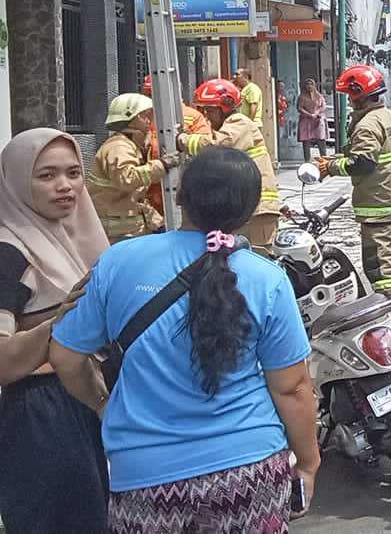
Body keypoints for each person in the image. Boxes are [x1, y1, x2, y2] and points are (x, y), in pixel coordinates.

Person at [50, 147, 319, 533]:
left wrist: (103, 404)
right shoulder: (267, 279)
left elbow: (65, 357)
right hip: (247, 470)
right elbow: (292, 389)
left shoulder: (118, 262)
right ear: (249, 210)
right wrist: (308, 463)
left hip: (144, 475)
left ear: (179, 195)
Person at [0, 129, 111, 534]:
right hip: (42, 417)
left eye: (73, 173)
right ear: (14, 181)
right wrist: (62, 325)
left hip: (92, 402)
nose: (65, 186)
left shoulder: (80, 237)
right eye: (46, 176)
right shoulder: (9, 253)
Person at [318, 64, 391, 307]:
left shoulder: (367, 125)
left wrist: (330, 168)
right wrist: (336, 160)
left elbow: (363, 163)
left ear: (359, 94)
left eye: (351, 96)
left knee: (382, 271)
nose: (350, 102)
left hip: (378, 207)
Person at [179, 79, 285, 248]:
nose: (206, 115)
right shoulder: (229, 125)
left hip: (259, 210)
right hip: (248, 208)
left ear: (225, 107)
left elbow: (217, 145)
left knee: (255, 260)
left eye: (210, 110)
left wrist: (184, 140)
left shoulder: (239, 122)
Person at [89, 93, 182, 242]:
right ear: (132, 118)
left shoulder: (131, 145)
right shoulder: (118, 146)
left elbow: (136, 198)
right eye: (144, 115)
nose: (148, 120)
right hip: (119, 233)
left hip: (130, 228)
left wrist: (157, 223)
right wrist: (162, 165)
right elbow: (127, 179)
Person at [141, 74, 214, 220]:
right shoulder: (144, 117)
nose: (151, 99)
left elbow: (205, 147)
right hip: (151, 190)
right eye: (148, 94)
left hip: (182, 185)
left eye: (152, 94)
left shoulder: (192, 116)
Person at [298, 78, 329, 161]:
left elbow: (323, 106)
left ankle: (324, 159)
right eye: (307, 84)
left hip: (317, 119)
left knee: (321, 140)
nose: (309, 86)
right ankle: (307, 160)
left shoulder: (319, 96)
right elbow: (299, 108)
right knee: (306, 141)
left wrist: (317, 113)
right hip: (306, 120)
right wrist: (309, 114)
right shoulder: (302, 96)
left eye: (311, 84)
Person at [233, 67, 265, 131]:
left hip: (252, 125)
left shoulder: (252, 88)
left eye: (237, 74)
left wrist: (249, 124)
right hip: (244, 124)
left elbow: (253, 106)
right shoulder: (243, 89)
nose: (234, 77)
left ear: (246, 77)